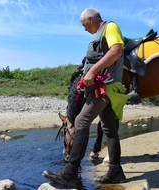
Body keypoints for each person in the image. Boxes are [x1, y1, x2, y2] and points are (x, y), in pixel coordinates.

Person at [43, 8, 129, 188]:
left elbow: (116, 50)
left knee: (81, 121)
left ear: (90, 19)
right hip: (107, 89)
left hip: (105, 89)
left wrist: (92, 71)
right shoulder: (101, 33)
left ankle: (70, 173)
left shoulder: (110, 27)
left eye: (84, 25)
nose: (84, 29)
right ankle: (116, 171)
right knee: (109, 129)